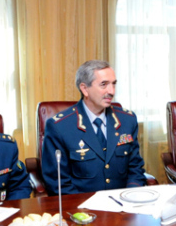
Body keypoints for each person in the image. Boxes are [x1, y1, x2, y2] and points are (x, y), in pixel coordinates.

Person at [41, 60, 146, 195]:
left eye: (113, 84)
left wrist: (131, 197)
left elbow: (135, 168)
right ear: (85, 89)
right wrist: (84, 212)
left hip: (123, 206)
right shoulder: (60, 127)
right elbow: (58, 183)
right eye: (104, 85)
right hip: (82, 210)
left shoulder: (127, 120)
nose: (111, 91)